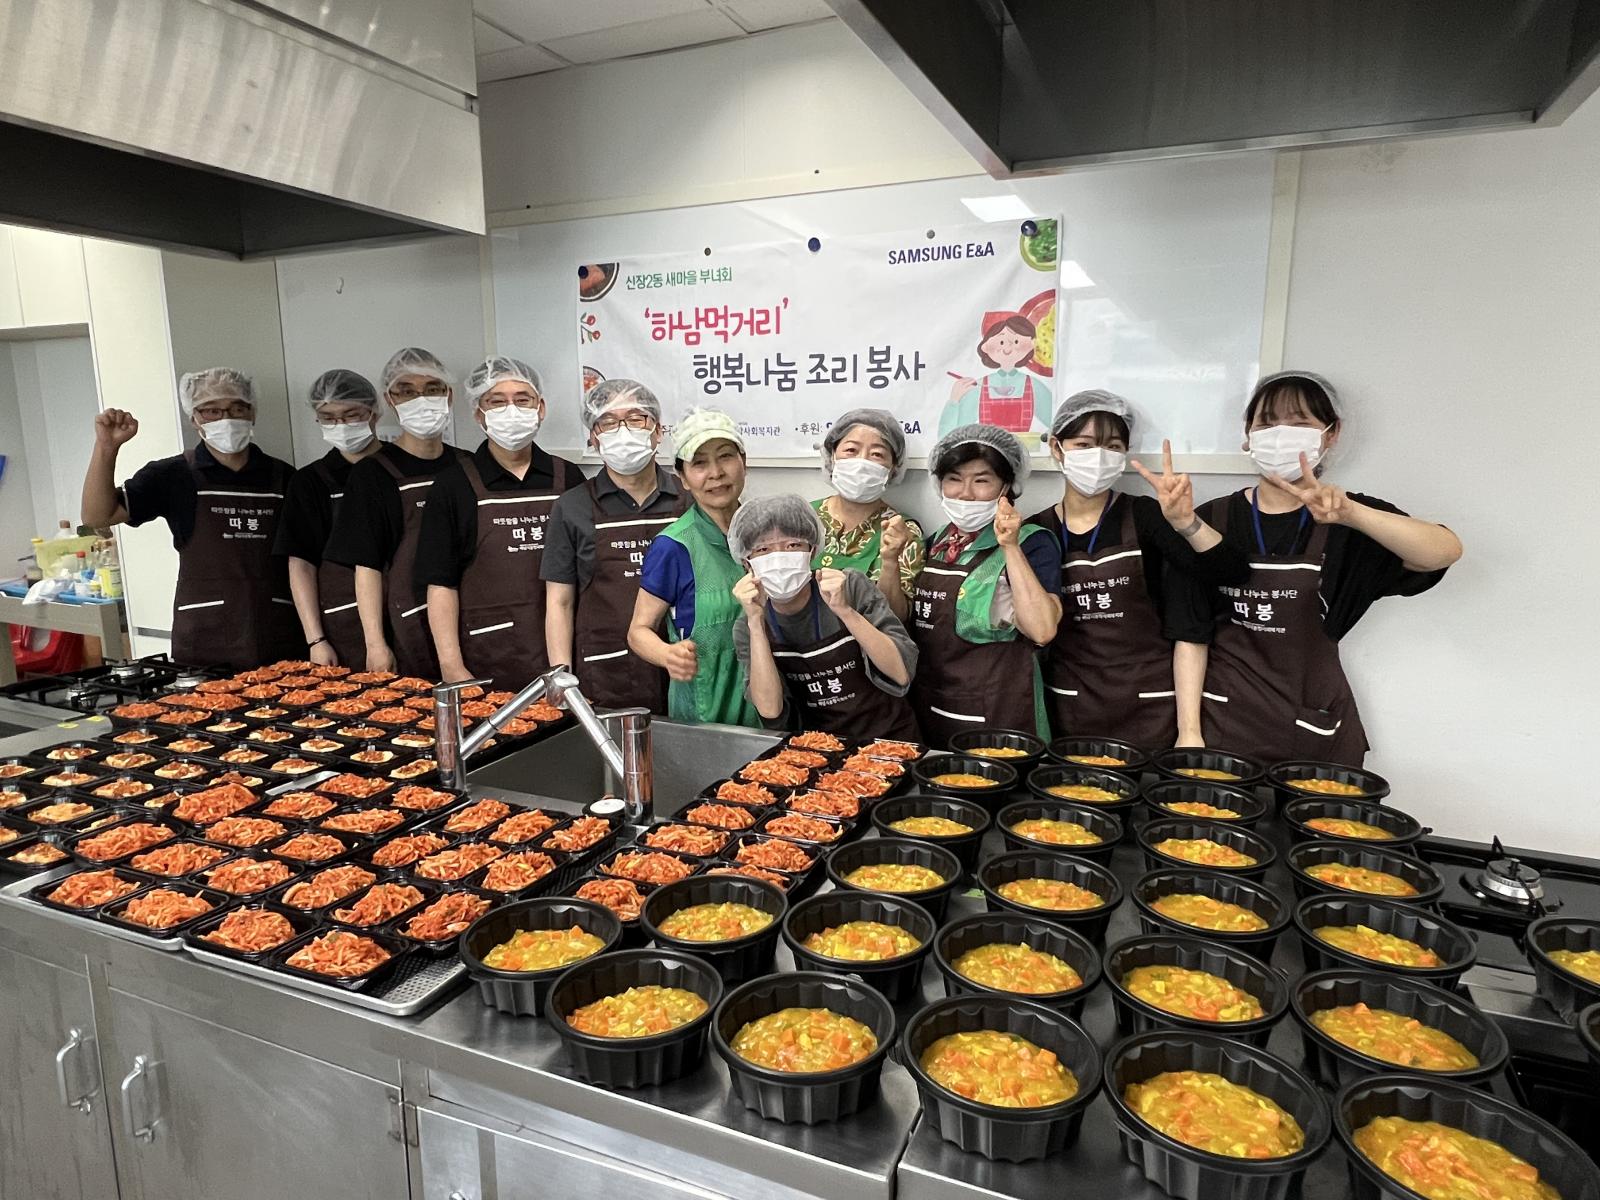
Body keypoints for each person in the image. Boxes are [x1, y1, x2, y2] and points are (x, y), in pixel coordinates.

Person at [1168, 370, 1463, 764]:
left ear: (1331, 433)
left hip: (1312, 723)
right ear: (1248, 436)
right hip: (1224, 720)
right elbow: (1191, 633)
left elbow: (1443, 551)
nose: (1281, 434)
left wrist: (1353, 514)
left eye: (1299, 423)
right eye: (1267, 424)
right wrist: (1189, 732)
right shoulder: (1210, 519)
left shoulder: (1352, 521)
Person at [1028, 390, 1248, 747]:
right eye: (1084, 444)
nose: (1099, 456)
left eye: (1113, 446)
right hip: (1070, 705)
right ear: (1057, 447)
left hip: (1148, 708)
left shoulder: (1145, 516)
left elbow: (1230, 573)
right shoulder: (1038, 532)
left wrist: (1186, 523)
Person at [79, 368, 301, 670]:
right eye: (211, 410)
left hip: (277, 632)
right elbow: (97, 516)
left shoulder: (285, 477)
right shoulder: (172, 475)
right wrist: (107, 447)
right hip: (205, 637)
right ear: (194, 418)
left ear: (252, 414)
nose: (225, 418)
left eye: (237, 408)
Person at [416, 356, 584, 690]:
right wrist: (451, 665)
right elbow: (441, 584)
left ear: (540, 408)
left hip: (565, 651)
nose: (512, 411)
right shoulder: (454, 485)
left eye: (523, 400)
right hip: (488, 655)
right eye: (497, 402)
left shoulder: (568, 477)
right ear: (479, 413)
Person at [911, 424, 1062, 746]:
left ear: (1007, 486)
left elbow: (1042, 630)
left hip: (1001, 710)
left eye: (981, 481)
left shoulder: (1033, 542)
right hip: (932, 703)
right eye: (954, 479)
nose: (965, 493)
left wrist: (1010, 546)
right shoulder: (935, 544)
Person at [543, 379, 687, 710]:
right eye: (608, 422)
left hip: (684, 662)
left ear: (658, 431)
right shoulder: (572, 506)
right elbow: (559, 602)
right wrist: (560, 677)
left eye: (636, 418)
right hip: (607, 668)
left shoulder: (688, 498)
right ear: (594, 438)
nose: (623, 431)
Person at [324, 347, 467, 678]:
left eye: (432, 389)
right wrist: (375, 643)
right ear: (390, 400)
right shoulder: (373, 474)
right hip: (409, 622)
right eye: (407, 391)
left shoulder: (467, 465)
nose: (421, 399)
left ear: (448, 395)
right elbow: (367, 566)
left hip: (466, 615)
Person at [730, 495, 920, 740]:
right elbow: (770, 709)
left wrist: (845, 611)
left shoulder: (850, 586)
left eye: (792, 545)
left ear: (812, 551)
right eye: (763, 549)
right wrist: (756, 624)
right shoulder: (748, 626)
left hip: (889, 741)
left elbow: (900, 672)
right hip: (817, 748)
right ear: (747, 563)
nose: (779, 558)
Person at [627, 408, 760, 727]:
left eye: (725, 456)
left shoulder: (767, 532)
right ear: (683, 478)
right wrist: (667, 655)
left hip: (771, 711)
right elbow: (638, 631)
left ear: (743, 462)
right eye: (699, 463)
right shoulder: (674, 546)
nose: (716, 473)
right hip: (704, 717)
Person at [275, 369, 383, 668]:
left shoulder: (399, 469)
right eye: (329, 418)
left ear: (374, 412)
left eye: (351, 415)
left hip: (408, 614)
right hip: (345, 624)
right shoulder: (310, 482)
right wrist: (316, 640)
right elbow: (301, 564)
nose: (341, 425)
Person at [813, 408, 924, 622]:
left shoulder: (903, 532)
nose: (862, 463)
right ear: (831, 456)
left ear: (894, 468)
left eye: (877, 454)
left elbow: (897, 619)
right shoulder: (803, 518)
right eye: (851, 450)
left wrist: (890, 561)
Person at [940, 311, 1053, 435]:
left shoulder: (1034, 386)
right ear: (985, 347)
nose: (1007, 349)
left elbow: (1056, 423)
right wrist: (954, 400)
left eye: (1016, 342)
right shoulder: (978, 387)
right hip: (988, 447)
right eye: (1001, 342)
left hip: (1023, 447)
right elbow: (950, 435)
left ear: (1031, 344)